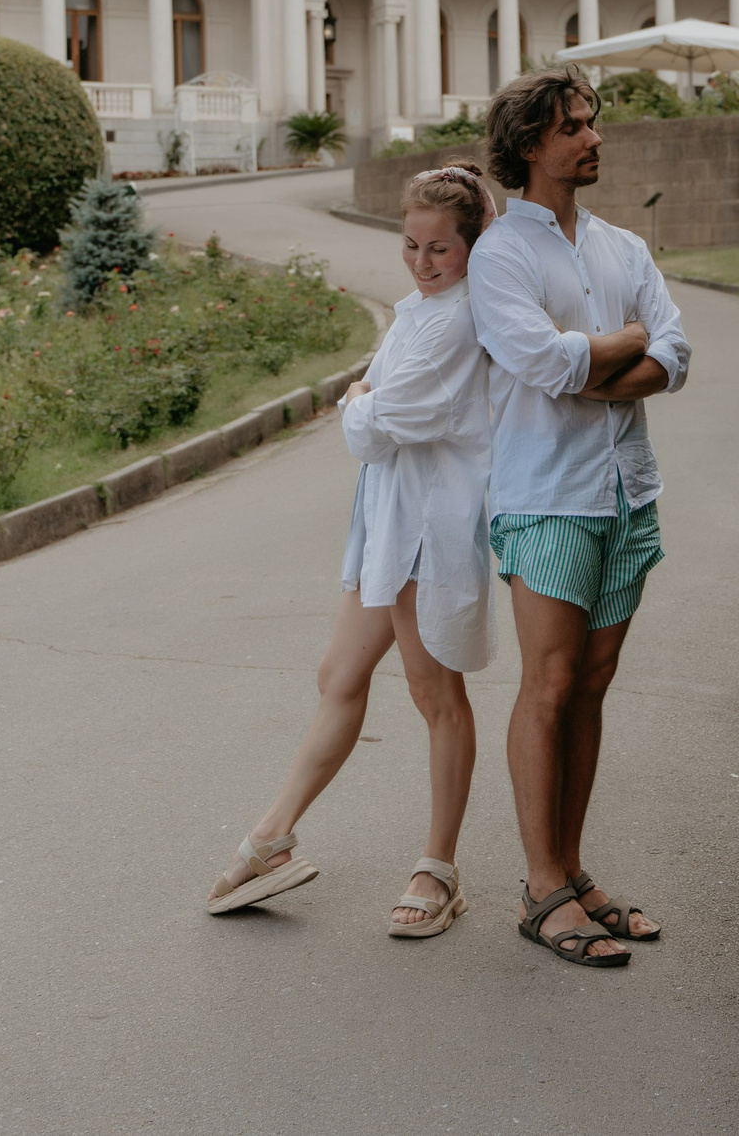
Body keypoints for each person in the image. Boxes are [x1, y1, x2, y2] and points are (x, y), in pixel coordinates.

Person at [206, 163, 500, 938]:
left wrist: (363, 404)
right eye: (411, 244)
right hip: (385, 522)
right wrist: (365, 404)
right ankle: (272, 837)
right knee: (339, 673)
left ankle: (438, 868)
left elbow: (370, 421)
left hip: (429, 526)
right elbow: (368, 409)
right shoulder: (417, 311)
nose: (423, 261)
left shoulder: (460, 321)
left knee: (436, 697)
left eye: (440, 247)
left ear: (472, 245)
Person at [467, 68, 690, 968]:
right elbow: (542, 364)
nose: (593, 138)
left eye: (593, 122)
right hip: (545, 496)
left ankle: (572, 869)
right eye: (574, 127)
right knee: (550, 686)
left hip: (624, 490)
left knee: (591, 688)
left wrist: (617, 357)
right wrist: (623, 346)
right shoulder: (500, 254)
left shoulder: (623, 247)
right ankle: (539, 886)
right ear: (530, 145)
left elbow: (676, 353)